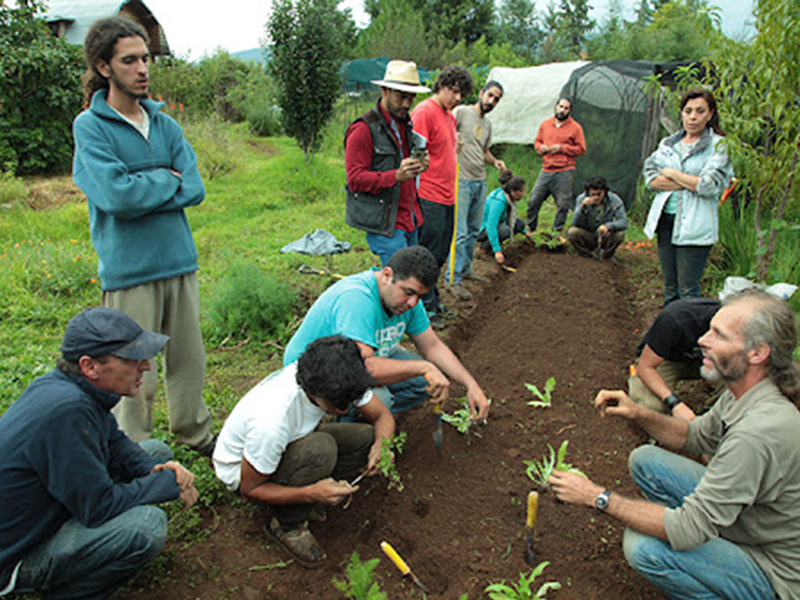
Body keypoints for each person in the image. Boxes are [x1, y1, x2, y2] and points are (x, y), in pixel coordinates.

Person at [550, 289, 800, 600]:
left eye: (718, 335)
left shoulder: (757, 434)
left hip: (773, 569)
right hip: (749, 523)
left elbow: (687, 529)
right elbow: (693, 436)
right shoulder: (746, 392)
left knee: (644, 547)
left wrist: (596, 496)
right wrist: (637, 412)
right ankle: (718, 546)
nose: (702, 340)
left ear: (757, 353)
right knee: (646, 460)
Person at [72, 17, 214, 454]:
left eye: (145, 58)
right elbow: (117, 196)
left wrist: (145, 181)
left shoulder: (165, 124)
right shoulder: (91, 127)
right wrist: (164, 179)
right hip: (130, 270)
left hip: (179, 260)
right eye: (129, 60)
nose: (142, 68)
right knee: (133, 367)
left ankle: (195, 432)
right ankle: (135, 447)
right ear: (103, 67)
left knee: (189, 360)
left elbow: (195, 186)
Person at [0, 307, 199, 599]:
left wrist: (154, 471)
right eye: (132, 358)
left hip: (44, 509)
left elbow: (115, 443)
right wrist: (168, 484)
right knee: (146, 526)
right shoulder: (68, 412)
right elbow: (98, 507)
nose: (145, 365)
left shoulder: (69, 388)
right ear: (90, 366)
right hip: (17, 555)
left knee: (155, 453)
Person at [214, 335, 394, 569]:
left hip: (289, 445)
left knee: (366, 439)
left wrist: (383, 446)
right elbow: (250, 490)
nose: (347, 408)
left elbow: (382, 417)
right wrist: (312, 493)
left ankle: (304, 487)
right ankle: (287, 525)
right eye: (339, 405)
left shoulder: (341, 375)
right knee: (321, 449)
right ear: (315, 392)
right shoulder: (271, 421)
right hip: (246, 474)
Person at [283, 245, 490, 421]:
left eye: (420, 296)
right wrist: (422, 367)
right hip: (314, 378)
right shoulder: (357, 299)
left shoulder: (410, 300)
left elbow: (432, 346)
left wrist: (471, 385)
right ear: (387, 275)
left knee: (429, 379)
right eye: (408, 292)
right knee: (382, 398)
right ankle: (347, 425)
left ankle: (374, 416)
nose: (413, 303)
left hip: (363, 359)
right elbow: (364, 368)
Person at [643, 87, 734, 306]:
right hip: (666, 220)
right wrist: (690, 181)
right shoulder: (669, 144)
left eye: (700, 111)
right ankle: (669, 335)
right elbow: (651, 177)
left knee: (688, 289)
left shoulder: (718, 146)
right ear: (681, 113)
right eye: (688, 111)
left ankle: (690, 338)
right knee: (670, 287)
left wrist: (672, 174)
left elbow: (709, 185)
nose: (693, 117)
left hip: (696, 225)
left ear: (710, 114)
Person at [344, 60, 431, 266]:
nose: (407, 104)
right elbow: (355, 179)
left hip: (410, 218)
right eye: (401, 97)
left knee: (409, 278)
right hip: (385, 224)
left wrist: (419, 166)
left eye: (411, 98)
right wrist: (395, 176)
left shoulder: (404, 124)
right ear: (385, 90)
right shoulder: (363, 129)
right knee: (399, 284)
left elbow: (405, 168)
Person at [411, 66, 475, 329]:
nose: (458, 98)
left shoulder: (448, 116)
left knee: (439, 255)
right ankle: (422, 311)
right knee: (428, 254)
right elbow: (414, 151)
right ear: (442, 86)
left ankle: (433, 301)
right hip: (428, 194)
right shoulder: (424, 112)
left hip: (448, 195)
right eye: (455, 91)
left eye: (462, 93)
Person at [447, 80, 507, 301]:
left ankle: (466, 270)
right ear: (481, 93)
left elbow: (484, 152)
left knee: (473, 229)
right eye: (490, 95)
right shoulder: (461, 112)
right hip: (461, 179)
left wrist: (495, 161)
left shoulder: (487, 125)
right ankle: (452, 279)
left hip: (479, 180)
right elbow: (446, 134)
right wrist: (454, 146)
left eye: (496, 99)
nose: (491, 101)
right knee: (460, 232)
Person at [629, 297, 721, 421]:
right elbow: (645, 367)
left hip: (706, 361)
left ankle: (711, 417)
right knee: (651, 407)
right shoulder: (676, 317)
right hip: (667, 360)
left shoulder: (742, 329)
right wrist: (675, 404)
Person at [526, 97, 586, 233]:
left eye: (566, 108)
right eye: (561, 107)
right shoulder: (546, 124)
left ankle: (555, 233)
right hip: (546, 169)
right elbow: (537, 142)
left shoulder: (576, 128)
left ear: (570, 110)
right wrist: (541, 148)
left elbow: (581, 149)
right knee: (533, 200)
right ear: (556, 107)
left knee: (563, 205)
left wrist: (562, 148)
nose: (562, 110)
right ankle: (530, 230)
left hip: (565, 170)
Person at [477, 170, 532, 265]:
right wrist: (497, 251)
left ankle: (494, 244)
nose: (523, 194)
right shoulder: (498, 202)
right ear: (513, 191)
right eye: (521, 191)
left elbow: (510, 219)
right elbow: (491, 226)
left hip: (498, 224)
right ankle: (483, 248)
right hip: (482, 229)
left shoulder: (509, 198)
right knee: (505, 231)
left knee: (520, 224)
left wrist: (525, 232)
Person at [567, 175, 628, 260]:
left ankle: (607, 256)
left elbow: (623, 222)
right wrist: (582, 208)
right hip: (588, 234)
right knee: (572, 232)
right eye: (593, 194)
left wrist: (608, 226)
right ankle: (587, 255)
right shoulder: (582, 199)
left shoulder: (614, 200)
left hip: (605, 235)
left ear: (605, 192)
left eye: (599, 194)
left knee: (619, 235)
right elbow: (574, 222)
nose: (596, 197)